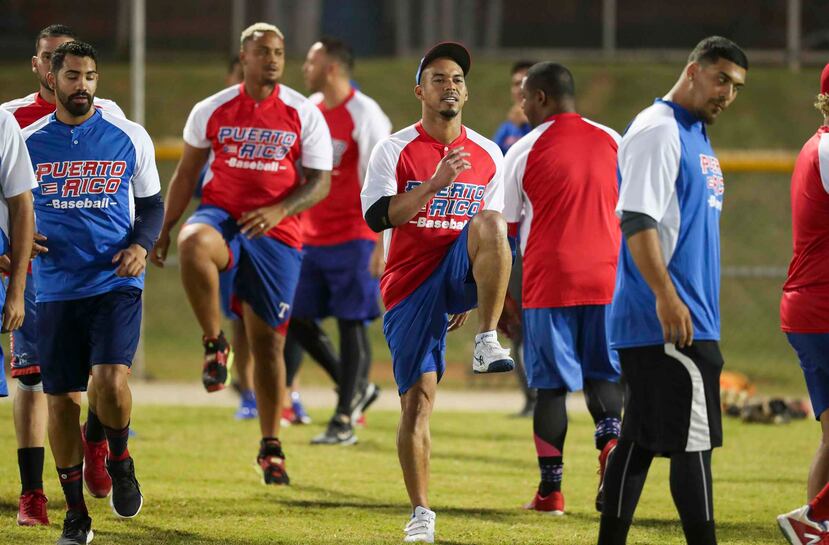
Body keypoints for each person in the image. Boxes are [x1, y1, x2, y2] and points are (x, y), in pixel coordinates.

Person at [151, 22, 332, 485]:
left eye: (279, 52)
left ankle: (271, 446)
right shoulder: (211, 110)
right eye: (263, 52)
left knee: (270, 345)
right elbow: (186, 175)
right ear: (244, 58)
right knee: (194, 243)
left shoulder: (302, 111)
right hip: (224, 217)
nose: (272, 59)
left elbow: (319, 181)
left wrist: (280, 209)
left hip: (277, 232)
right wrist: (165, 227)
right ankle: (215, 345)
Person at [596, 36, 747, 545]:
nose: (727, 93)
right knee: (694, 446)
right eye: (721, 78)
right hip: (668, 320)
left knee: (637, 441)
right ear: (693, 70)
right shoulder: (659, 130)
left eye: (736, 86)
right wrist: (665, 294)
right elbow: (636, 218)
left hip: (681, 316)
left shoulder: (696, 133)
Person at [361, 41, 514, 543]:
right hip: (408, 283)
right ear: (419, 91)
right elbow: (380, 217)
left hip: (454, 273)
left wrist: (475, 295)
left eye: (458, 80)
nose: (450, 86)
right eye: (439, 79)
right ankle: (421, 512)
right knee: (418, 402)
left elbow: (488, 233)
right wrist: (433, 183)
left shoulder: (489, 153)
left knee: (492, 221)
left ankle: (488, 339)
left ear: (466, 94)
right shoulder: (395, 148)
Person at [23, 40, 163, 545]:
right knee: (61, 402)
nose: (82, 86)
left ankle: (120, 460)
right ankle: (76, 515)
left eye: (90, 77)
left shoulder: (128, 136)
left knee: (109, 381)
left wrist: (141, 247)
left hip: (114, 281)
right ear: (53, 80)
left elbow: (152, 206)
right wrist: (17, 239)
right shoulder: (30, 141)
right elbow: (8, 207)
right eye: (73, 76)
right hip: (56, 288)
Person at [0, 23, 125, 527]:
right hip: (32, 274)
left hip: (92, 273)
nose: (64, 72)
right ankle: (34, 493)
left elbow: (119, 179)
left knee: (98, 377)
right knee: (31, 383)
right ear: (40, 66)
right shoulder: (11, 118)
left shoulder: (109, 116)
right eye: (51, 59)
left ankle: (97, 445)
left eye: (73, 64)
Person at [502, 62, 623, 516]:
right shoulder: (613, 139)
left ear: (541, 99)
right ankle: (610, 443)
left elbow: (504, 233)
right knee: (604, 375)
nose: (521, 106)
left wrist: (502, 299)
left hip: (549, 283)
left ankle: (551, 492)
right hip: (607, 279)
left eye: (524, 98)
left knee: (550, 388)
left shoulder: (524, 149)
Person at [296, 37, 391, 445]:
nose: (305, 67)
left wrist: (379, 240)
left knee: (352, 322)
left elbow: (382, 178)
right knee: (296, 317)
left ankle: (343, 421)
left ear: (331, 67)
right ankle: (356, 389)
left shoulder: (365, 113)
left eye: (311, 60)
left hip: (354, 234)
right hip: (310, 235)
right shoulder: (309, 109)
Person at [777, 63, 829, 545]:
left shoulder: (817, 144)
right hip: (821, 305)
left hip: (811, 305)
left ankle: (815, 525)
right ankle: (812, 519)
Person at [493, 60, 537, 418]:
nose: (518, 89)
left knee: (545, 321)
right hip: (513, 242)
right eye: (514, 83)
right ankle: (532, 397)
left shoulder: (546, 130)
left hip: (544, 242)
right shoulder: (506, 130)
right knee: (517, 324)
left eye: (525, 82)